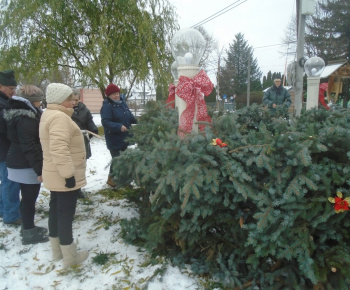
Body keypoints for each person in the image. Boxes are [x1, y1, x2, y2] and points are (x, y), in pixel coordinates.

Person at [39, 83, 88, 268]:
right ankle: (70, 258)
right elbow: (59, 149)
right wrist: (69, 175)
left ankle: (57, 252)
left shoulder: (48, 114)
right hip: (63, 175)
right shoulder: (59, 118)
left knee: (55, 212)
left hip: (54, 173)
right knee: (65, 215)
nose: (73, 102)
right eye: (70, 99)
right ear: (61, 100)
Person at [4, 85, 48, 244]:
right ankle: (29, 233)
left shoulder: (23, 114)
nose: (40, 103)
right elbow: (29, 146)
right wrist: (39, 169)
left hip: (20, 161)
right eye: (39, 101)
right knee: (29, 198)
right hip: (24, 164)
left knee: (27, 198)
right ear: (32, 101)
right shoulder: (25, 119)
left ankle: (28, 227)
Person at [100, 84, 137, 187]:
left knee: (124, 159)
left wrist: (139, 120)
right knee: (117, 160)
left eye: (117, 93)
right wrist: (118, 126)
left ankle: (122, 180)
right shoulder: (107, 106)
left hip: (125, 137)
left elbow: (129, 117)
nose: (116, 96)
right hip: (114, 138)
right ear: (108, 96)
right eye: (113, 94)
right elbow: (105, 122)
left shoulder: (122, 103)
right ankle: (111, 179)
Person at [0, 70, 21, 226]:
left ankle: (3, 209)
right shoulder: (2, 104)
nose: (13, 92)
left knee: (6, 181)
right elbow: (6, 127)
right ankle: (12, 215)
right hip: (5, 149)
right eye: (10, 89)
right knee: (10, 181)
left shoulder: (5, 102)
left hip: (4, 148)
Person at [71, 89, 98, 199]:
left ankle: (78, 189)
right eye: (72, 100)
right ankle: (70, 188)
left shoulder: (84, 110)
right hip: (70, 143)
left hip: (82, 142)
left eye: (76, 100)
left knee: (80, 167)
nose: (74, 102)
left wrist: (92, 131)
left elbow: (90, 123)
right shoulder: (64, 110)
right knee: (70, 167)